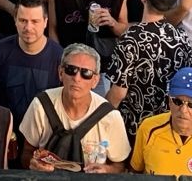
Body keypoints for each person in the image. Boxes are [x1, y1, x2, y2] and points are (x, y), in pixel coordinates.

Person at [106, 0, 192, 137]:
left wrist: (101, 119)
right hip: (168, 127)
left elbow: (118, 93)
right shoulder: (181, 36)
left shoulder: (131, 38)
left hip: (134, 128)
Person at [18, 42, 131, 171]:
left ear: (95, 81)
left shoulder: (110, 116)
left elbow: (120, 165)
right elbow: (26, 152)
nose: (77, 78)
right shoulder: (41, 105)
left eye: (86, 73)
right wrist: (34, 165)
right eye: (71, 70)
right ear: (60, 73)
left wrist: (106, 170)